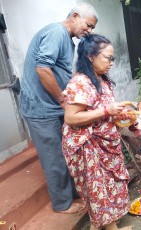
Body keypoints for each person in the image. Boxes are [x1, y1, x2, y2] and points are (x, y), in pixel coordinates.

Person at [19, 3, 98, 213]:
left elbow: (59, 71)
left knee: (67, 152)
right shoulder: (56, 32)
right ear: (74, 16)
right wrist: (63, 100)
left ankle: (72, 195)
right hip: (41, 110)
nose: (89, 31)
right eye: (88, 25)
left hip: (54, 108)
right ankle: (62, 205)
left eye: (92, 28)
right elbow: (42, 68)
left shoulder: (67, 39)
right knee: (54, 157)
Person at [62, 34, 131, 230]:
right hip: (88, 146)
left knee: (110, 186)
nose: (111, 63)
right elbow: (71, 117)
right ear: (91, 56)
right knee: (99, 190)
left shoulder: (101, 79)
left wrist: (118, 114)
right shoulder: (80, 83)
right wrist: (106, 111)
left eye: (112, 59)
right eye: (108, 58)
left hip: (106, 143)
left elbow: (103, 109)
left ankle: (101, 226)